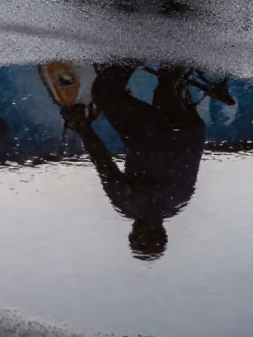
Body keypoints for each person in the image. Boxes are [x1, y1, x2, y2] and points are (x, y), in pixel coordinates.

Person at [62, 63, 207, 261]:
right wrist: (82, 127)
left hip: (191, 130)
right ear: (132, 232)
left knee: (166, 97)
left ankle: (171, 69)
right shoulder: (129, 204)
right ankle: (130, 50)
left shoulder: (178, 202)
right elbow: (103, 162)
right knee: (105, 93)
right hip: (154, 136)